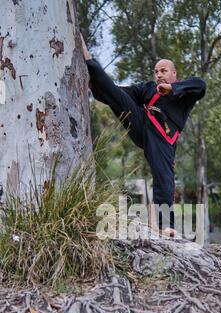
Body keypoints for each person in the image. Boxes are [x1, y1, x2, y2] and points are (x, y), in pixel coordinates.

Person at [81, 34, 206, 237]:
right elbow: (121, 92)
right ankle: (89, 62)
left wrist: (171, 88)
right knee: (116, 97)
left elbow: (201, 85)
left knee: (163, 177)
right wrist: (98, 88)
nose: (159, 75)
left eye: (164, 71)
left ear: (174, 73)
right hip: (141, 125)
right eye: (156, 71)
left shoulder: (183, 92)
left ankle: (166, 226)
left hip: (163, 137)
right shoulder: (148, 88)